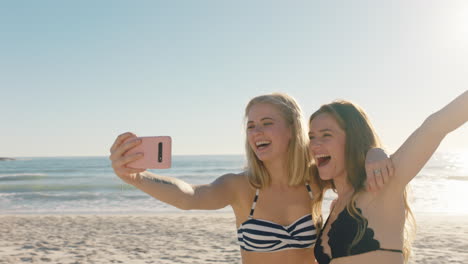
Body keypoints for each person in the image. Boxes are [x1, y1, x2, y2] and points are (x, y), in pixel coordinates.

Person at [109, 93, 392, 264]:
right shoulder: (240, 187)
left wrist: (374, 153)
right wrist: (138, 177)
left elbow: (355, 170)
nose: (257, 132)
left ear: (293, 129)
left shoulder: (315, 179)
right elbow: (190, 196)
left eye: (267, 124)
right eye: (252, 126)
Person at [309, 90, 468, 264]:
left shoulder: (382, 185)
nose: (315, 144)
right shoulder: (335, 206)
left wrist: (376, 151)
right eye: (312, 137)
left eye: (326, 135)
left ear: (353, 139)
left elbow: (435, 126)